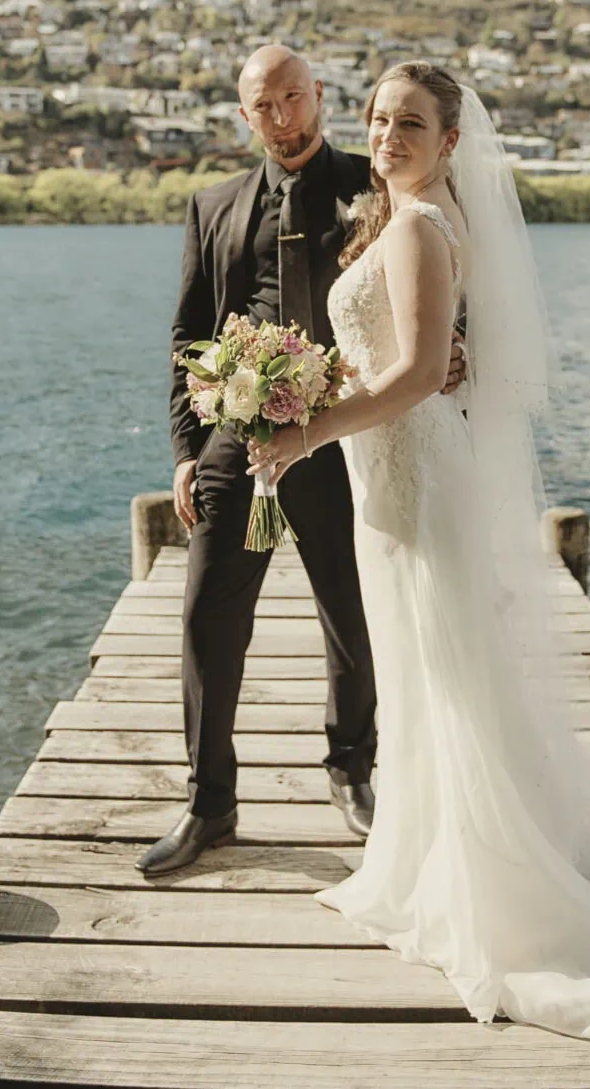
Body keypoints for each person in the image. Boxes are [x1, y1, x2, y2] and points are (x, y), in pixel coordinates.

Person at [244, 62, 590, 1070]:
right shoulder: (407, 221)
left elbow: (410, 375)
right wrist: (297, 381)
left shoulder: (418, 226)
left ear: (448, 143)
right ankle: (419, 860)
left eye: (411, 124)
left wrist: (301, 431)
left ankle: (476, 885)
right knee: (417, 670)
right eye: (379, 119)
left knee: (442, 669)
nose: (387, 136)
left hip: (410, 474)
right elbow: (398, 362)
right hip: (388, 473)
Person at [145, 45, 465, 876]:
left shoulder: (380, 183)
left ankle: (350, 766)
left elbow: (444, 279)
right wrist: (186, 450)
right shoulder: (211, 206)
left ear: (321, 96)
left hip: (344, 432)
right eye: (265, 105)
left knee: (351, 613)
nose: (284, 117)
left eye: (296, 97)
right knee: (207, 618)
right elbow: (188, 337)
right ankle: (210, 802)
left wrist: (457, 345)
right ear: (244, 115)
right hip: (235, 441)